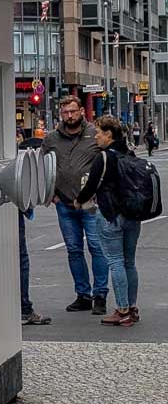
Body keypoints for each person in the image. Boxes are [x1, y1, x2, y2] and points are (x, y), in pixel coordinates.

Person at [42, 95, 109, 314]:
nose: (70, 116)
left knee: (97, 248)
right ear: (60, 114)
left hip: (91, 204)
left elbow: (110, 161)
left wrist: (103, 193)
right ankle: (83, 295)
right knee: (74, 250)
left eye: (73, 111)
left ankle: (100, 295)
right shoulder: (51, 138)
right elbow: (42, 167)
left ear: (81, 111)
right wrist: (52, 195)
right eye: (65, 112)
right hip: (64, 204)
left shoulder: (94, 134)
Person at [75, 115, 139, 327]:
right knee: (129, 262)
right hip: (132, 215)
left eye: (98, 133)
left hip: (111, 214)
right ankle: (132, 307)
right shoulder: (129, 153)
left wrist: (79, 201)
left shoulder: (104, 157)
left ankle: (122, 310)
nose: (95, 137)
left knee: (115, 261)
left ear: (108, 134)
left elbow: (91, 185)